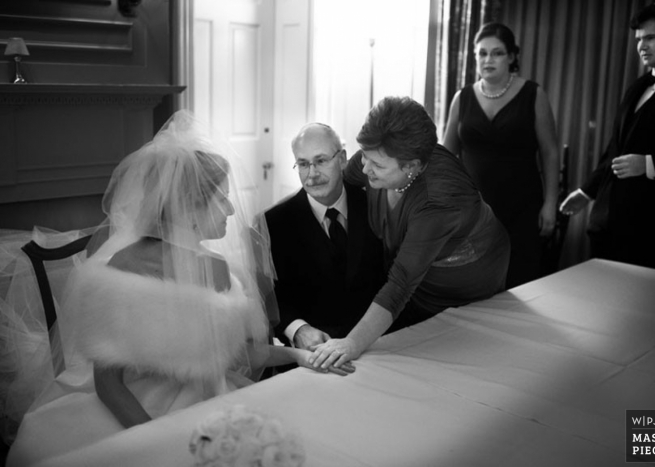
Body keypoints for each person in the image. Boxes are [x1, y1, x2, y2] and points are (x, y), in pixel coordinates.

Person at [6, 111, 353, 466]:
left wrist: (299, 355)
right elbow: (108, 384)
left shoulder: (216, 269)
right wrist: (157, 442)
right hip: (134, 409)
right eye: (222, 198)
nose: (232, 209)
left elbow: (240, 355)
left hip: (204, 396)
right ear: (189, 209)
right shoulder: (124, 268)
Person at [308, 96, 510, 371]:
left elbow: (401, 284)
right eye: (364, 156)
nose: (364, 169)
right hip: (411, 272)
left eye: (377, 166)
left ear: (412, 166)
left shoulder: (439, 198)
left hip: (466, 277)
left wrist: (351, 344)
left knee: (452, 357)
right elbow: (336, 183)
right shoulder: (379, 154)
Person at [559, 1, 655, 271]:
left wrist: (648, 165)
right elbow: (616, 148)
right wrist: (586, 191)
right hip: (610, 223)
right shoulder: (638, 85)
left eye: (650, 38)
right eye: (638, 39)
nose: (641, 46)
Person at [443, 22, 559, 288]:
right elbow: (446, 157)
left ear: (512, 56)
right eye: (482, 54)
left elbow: (550, 153)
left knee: (520, 285)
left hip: (522, 209)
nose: (488, 59)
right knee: (475, 286)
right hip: (475, 212)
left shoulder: (533, 94)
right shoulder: (462, 98)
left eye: (496, 53)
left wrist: (551, 203)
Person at [264, 123, 385, 350]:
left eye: (320, 161)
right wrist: (297, 329)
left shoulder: (374, 204)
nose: (312, 174)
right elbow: (269, 296)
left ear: (342, 159)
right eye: (302, 164)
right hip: (313, 357)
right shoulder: (273, 223)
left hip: (379, 345)